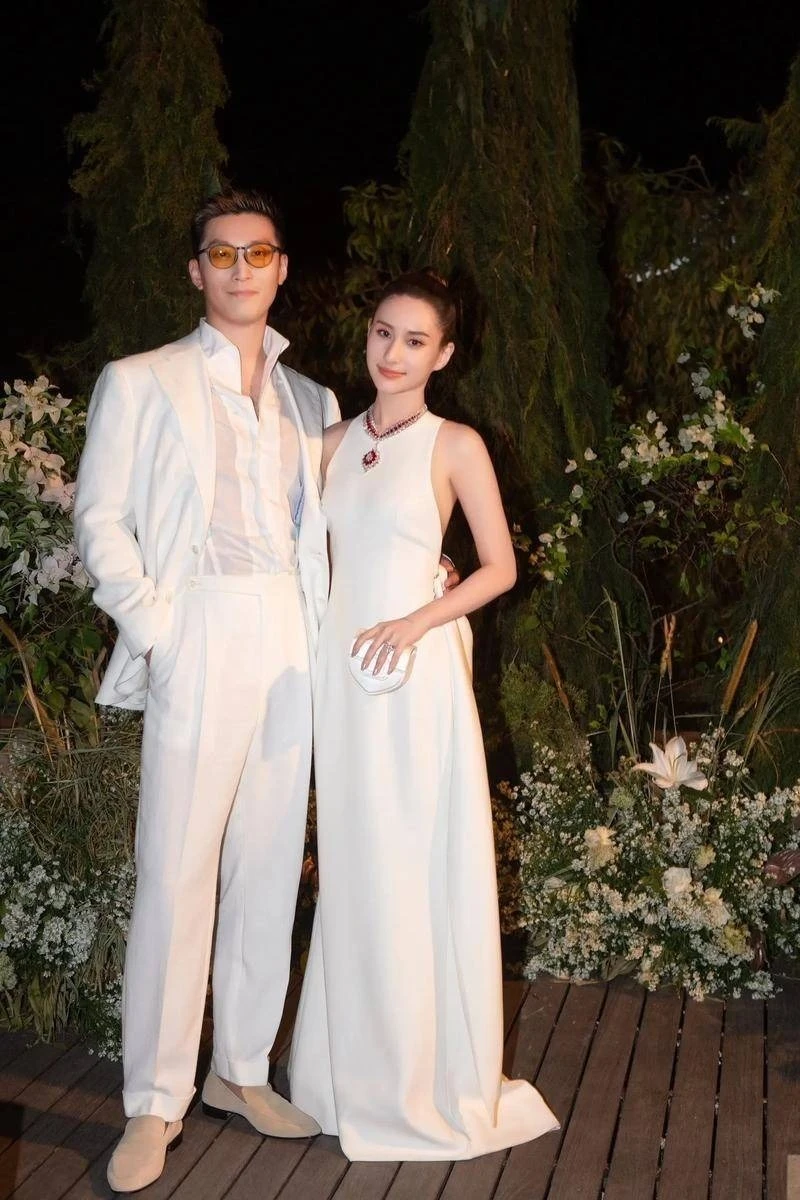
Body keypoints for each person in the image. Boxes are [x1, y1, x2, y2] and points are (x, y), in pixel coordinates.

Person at [74, 188, 337, 1193]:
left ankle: (239, 1070)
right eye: (220, 255)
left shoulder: (313, 401)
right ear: (196, 272)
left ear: (281, 268)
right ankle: (154, 1102)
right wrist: (160, 630)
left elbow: (336, 528)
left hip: (290, 639)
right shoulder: (140, 381)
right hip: (199, 628)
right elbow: (100, 519)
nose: (239, 270)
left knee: (268, 867)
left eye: (257, 253)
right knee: (176, 873)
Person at [288, 271, 559, 1160]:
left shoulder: (455, 443)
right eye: (382, 332)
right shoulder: (328, 443)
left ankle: (419, 1077)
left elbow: (500, 568)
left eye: (414, 341)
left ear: (443, 355)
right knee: (355, 860)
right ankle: (346, 1075)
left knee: (410, 855)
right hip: (342, 676)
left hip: (415, 671)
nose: (393, 353)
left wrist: (418, 617)